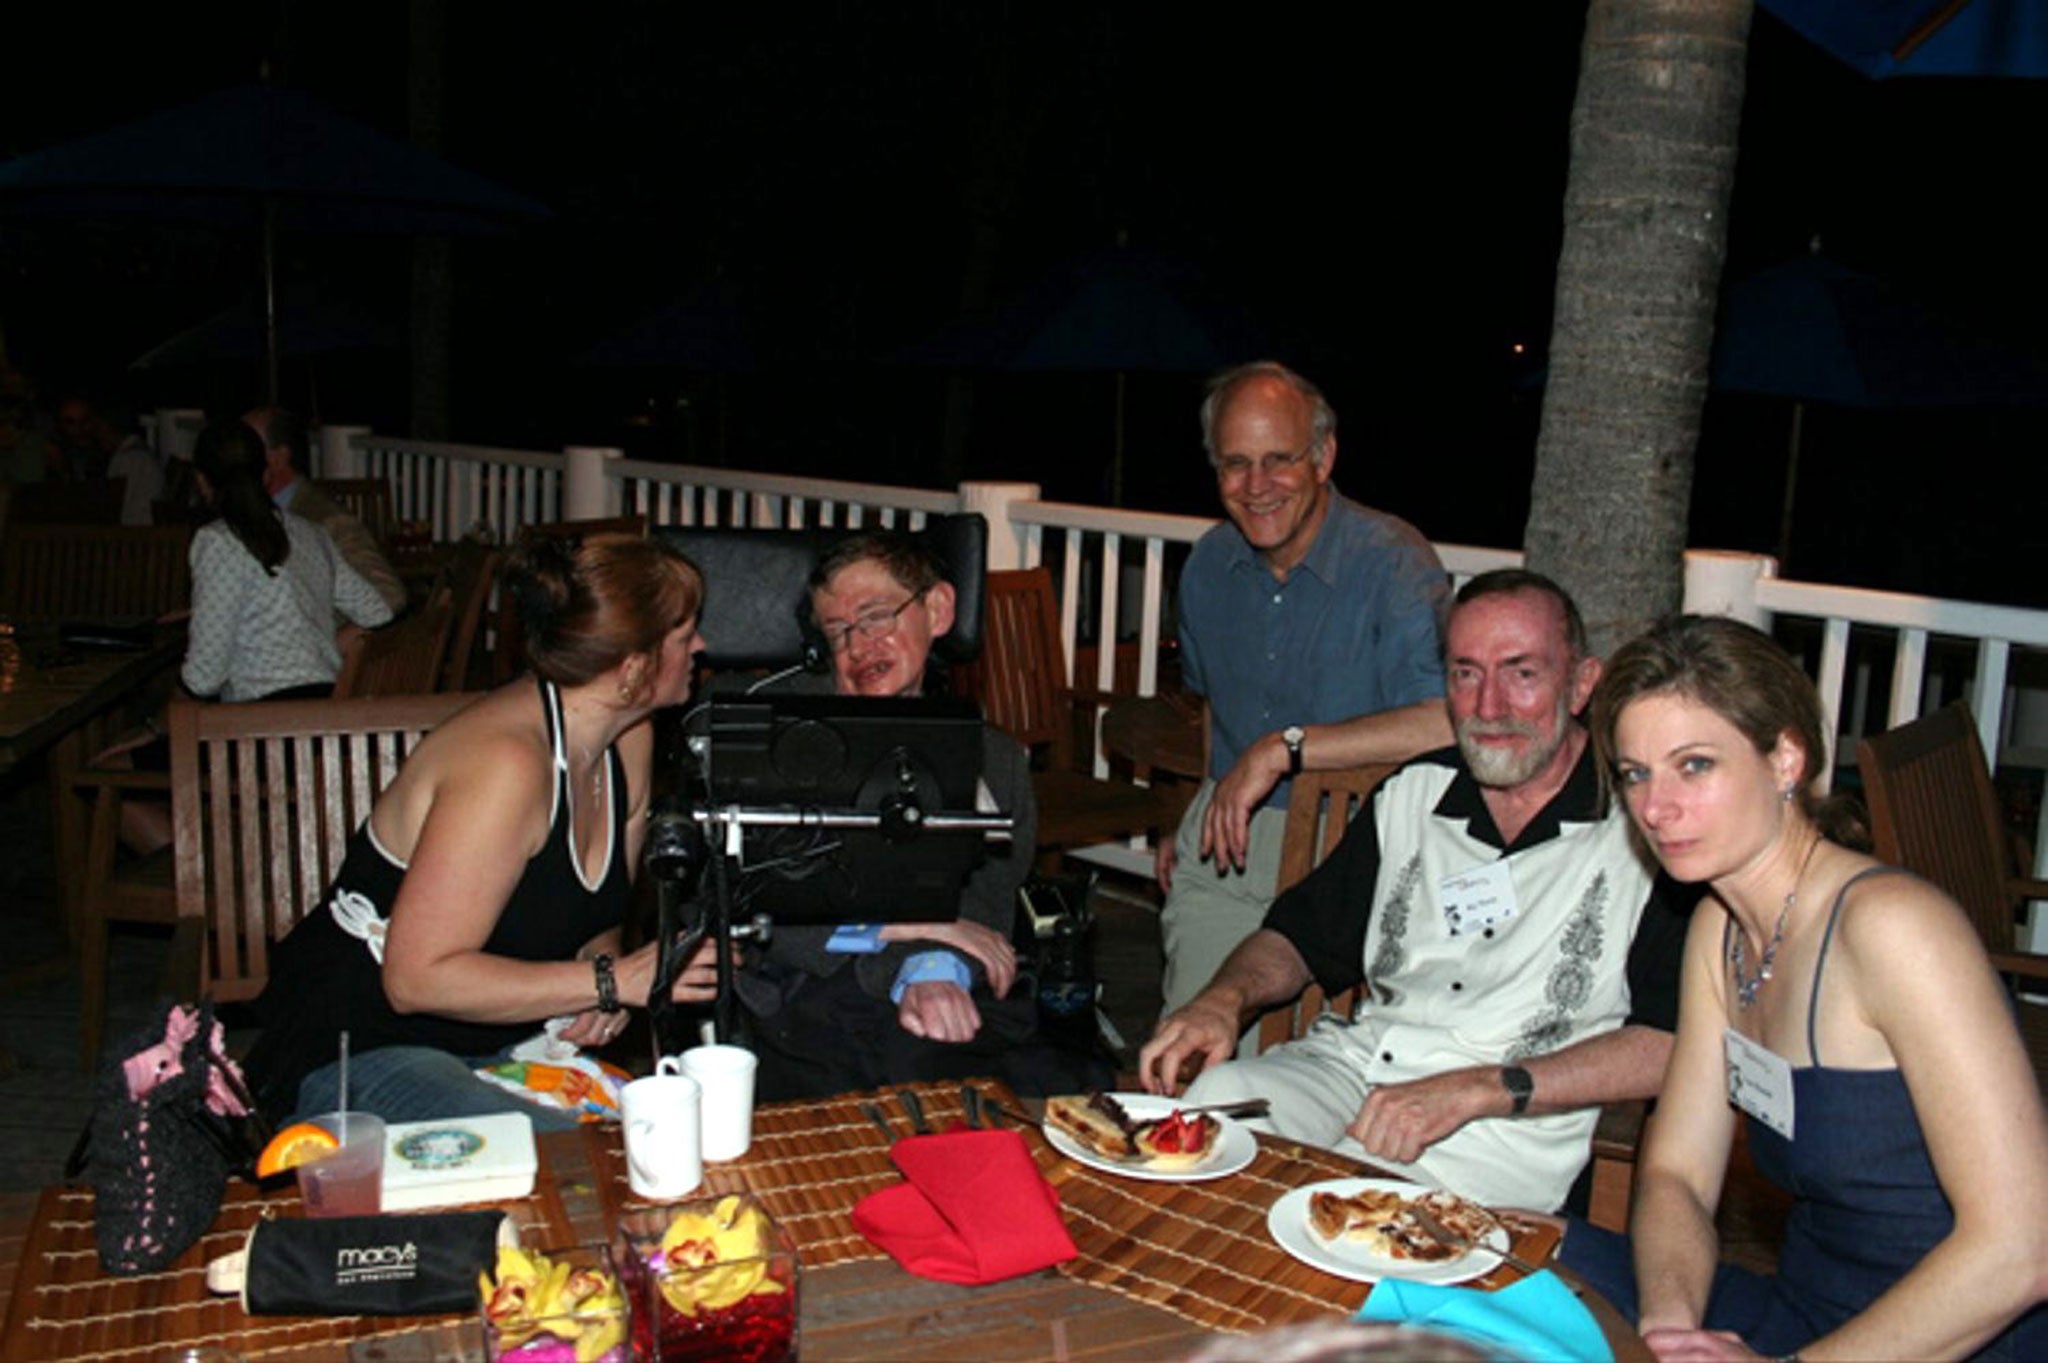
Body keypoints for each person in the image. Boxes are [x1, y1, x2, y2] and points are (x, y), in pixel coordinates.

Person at [1557, 615, 2047, 1361]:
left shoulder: (1893, 929)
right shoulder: (1717, 929)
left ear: (1785, 756)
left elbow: (2024, 1245)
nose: (1656, 807)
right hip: (1806, 1311)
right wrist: (1667, 1326)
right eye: (1636, 772)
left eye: (1694, 765)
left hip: (1953, 1336)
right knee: (1505, 1250)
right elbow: (1678, 1173)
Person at [1139, 570, 1692, 1212]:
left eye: (1521, 673)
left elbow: (1671, 1042)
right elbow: (1298, 937)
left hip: (1505, 1123)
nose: (1489, 706)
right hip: (1362, 1065)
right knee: (1215, 1109)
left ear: (1581, 684)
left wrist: (1484, 1087)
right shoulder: (1415, 793)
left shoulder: (1642, 832)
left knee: (1344, 1205)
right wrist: (1222, 1001)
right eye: (1465, 673)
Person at [243, 533, 722, 1127]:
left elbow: (597, 919)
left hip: (496, 1047)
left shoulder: (628, 740)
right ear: (631, 668)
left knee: (663, 1133)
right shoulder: (507, 765)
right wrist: (611, 980)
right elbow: (415, 980)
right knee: (570, 1161)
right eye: (684, 634)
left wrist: (600, 991)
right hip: (361, 1049)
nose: (701, 646)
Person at [730, 530, 1088, 1100]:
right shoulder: (787, 739)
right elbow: (761, 904)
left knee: (1043, 1086)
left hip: (937, 980)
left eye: (875, 617)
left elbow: (985, 900)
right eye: (838, 633)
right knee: (917, 1083)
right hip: (806, 984)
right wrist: (914, 927)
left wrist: (930, 966)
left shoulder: (992, 758)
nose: (858, 647)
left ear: (939, 610)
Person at [1159, 361, 1454, 1019]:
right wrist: (1194, 809)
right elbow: (1213, 710)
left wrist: (1284, 748)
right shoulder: (1209, 566)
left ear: (1323, 457)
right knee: (1188, 1059)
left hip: (1352, 849)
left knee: (1314, 1086)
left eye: (1279, 460)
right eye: (1235, 464)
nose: (1256, 486)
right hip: (1229, 853)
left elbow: (1445, 721)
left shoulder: (1394, 561)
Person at [181, 421, 394, 703]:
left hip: (263, 721)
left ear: (202, 479)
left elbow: (204, 678)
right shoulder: (310, 532)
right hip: (324, 703)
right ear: (265, 473)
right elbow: (377, 612)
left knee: (139, 741)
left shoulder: (217, 541)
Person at [244, 406, 409, 615]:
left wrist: (341, 637)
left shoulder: (326, 520)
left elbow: (388, 596)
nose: (234, 456)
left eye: (245, 448)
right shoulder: (252, 513)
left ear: (278, 459)